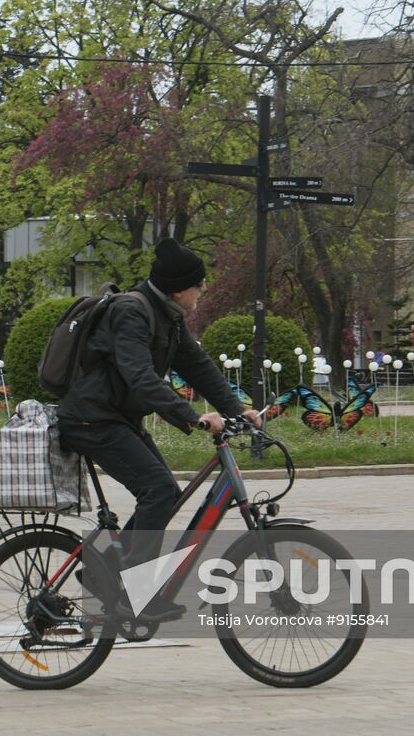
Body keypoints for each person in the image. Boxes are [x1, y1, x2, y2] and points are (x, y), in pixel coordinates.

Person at [57, 238, 262, 582]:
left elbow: (198, 366)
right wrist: (193, 416)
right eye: (200, 284)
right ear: (180, 290)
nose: (204, 289)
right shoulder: (132, 312)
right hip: (90, 420)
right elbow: (140, 377)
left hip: (115, 418)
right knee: (158, 490)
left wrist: (239, 410)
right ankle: (130, 588)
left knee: (164, 491)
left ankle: (102, 574)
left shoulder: (167, 315)